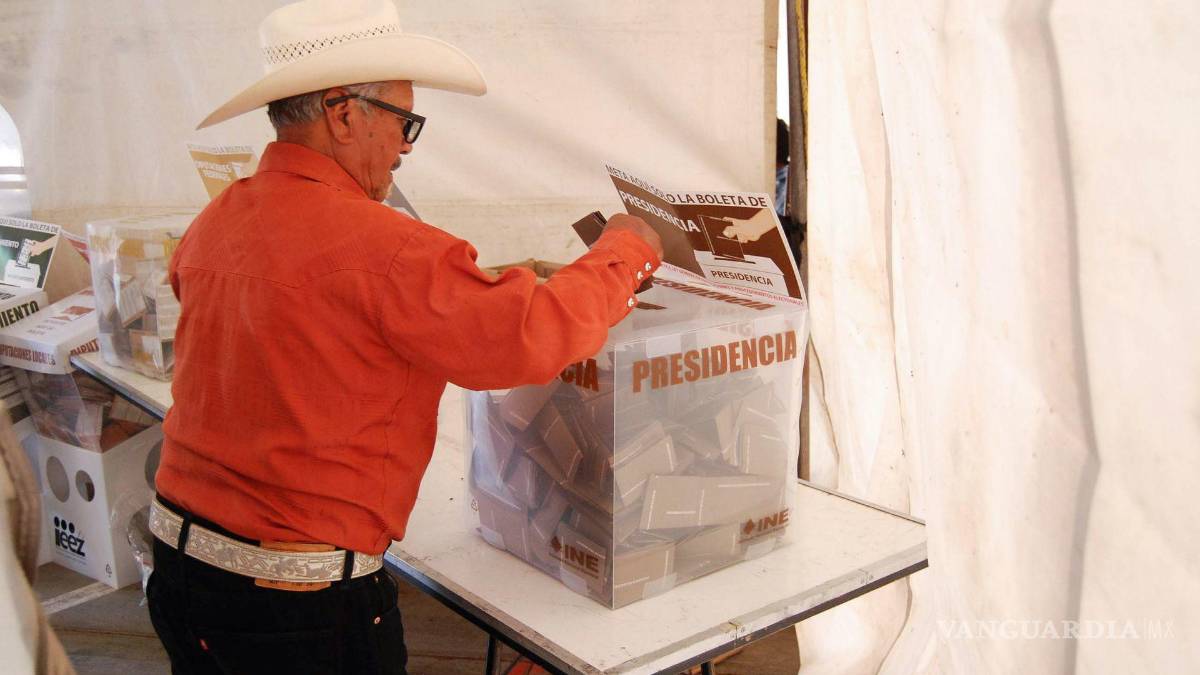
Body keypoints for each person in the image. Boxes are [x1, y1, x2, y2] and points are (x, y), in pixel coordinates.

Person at [145, 1, 663, 673]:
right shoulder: (388, 247)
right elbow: (529, 335)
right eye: (404, 122)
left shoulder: (216, 219)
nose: (407, 146)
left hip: (179, 568)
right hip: (297, 607)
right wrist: (626, 252)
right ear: (342, 114)